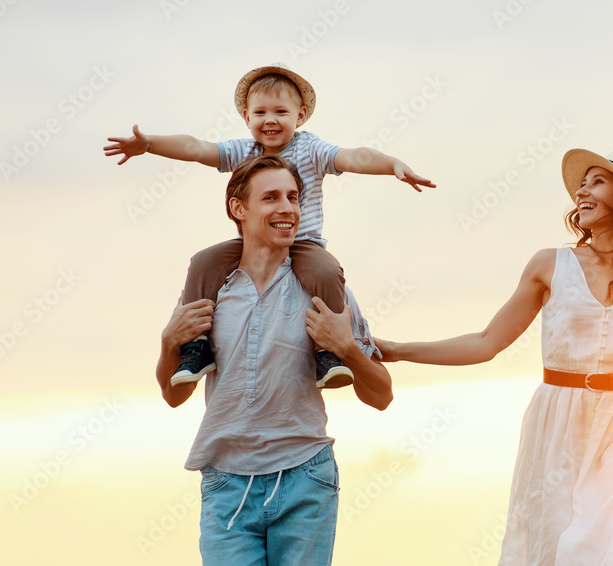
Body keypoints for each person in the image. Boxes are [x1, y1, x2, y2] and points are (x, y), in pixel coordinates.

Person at [378, 148, 613, 566]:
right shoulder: (550, 265)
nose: (581, 191)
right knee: (551, 558)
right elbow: (486, 342)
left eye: (597, 182)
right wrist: (398, 349)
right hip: (559, 425)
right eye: (582, 183)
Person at [108, 63, 434, 389]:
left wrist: (392, 165)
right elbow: (197, 148)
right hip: (253, 243)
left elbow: (353, 156)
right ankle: (196, 346)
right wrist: (149, 143)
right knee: (203, 262)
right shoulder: (243, 151)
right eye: (260, 112)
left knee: (326, 270)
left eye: (281, 111)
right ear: (247, 118)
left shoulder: (310, 148)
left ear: (300, 116)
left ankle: (327, 352)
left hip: (302, 242)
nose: (270, 120)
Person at [156, 154, 393, 566]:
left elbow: (381, 395)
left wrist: (347, 350)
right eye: (271, 198)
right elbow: (173, 396)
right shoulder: (210, 291)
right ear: (238, 209)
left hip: (306, 479)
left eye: (293, 197)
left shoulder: (325, 289)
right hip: (227, 485)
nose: (287, 208)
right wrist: (168, 343)